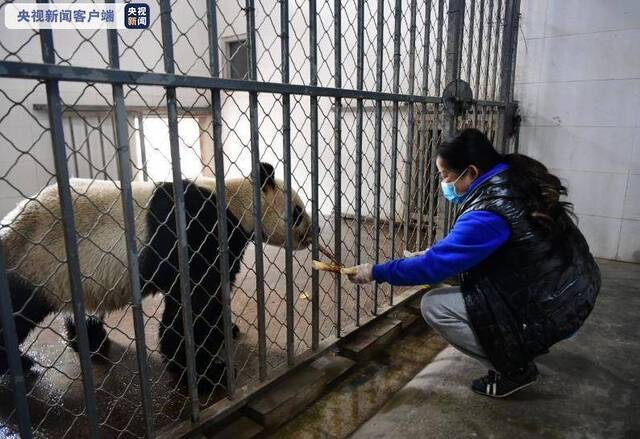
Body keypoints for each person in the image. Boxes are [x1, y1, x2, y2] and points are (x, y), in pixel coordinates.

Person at [347, 128, 601, 398]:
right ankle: (524, 341)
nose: (443, 183)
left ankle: (514, 368)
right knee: (465, 280)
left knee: (434, 305)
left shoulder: (488, 213)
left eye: (445, 175)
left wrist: (376, 271)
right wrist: (438, 251)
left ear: (471, 172)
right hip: (574, 288)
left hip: (554, 306)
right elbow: (476, 246)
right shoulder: (512, 174)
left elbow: (433, 268)